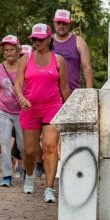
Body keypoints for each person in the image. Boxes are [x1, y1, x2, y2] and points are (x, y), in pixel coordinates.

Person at [14, 23, 70, 203]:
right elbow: (17, 83)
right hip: (30, 109)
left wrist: (69, 111)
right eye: (34, 39)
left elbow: (64, 88)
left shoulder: (58, 60)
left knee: (50, 147)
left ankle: (49, 188)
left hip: (52, 108)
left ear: (48, 39)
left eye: (40, 39)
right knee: (29, 151)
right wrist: (21, 97)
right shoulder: (26, 59)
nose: (36, 42)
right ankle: (29, 175)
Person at [0, 35, 24, 187]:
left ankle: (25, 171)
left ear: (18, 50)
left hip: (22, 111)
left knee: (23, 146)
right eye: (6, 50)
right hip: (2, 109)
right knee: (5, 144)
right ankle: (7, 175)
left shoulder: (25, 66)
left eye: (12, 49)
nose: (9, 53)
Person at [52, 9, 93, 91]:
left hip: (73, 94)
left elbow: (87, 67)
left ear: (70, 24)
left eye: (64, 23)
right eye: (58, 23)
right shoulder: (47, 41)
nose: (61, 26)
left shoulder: (79, 41)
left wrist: (89, 92)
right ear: (54, 23)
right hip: (50, 94)